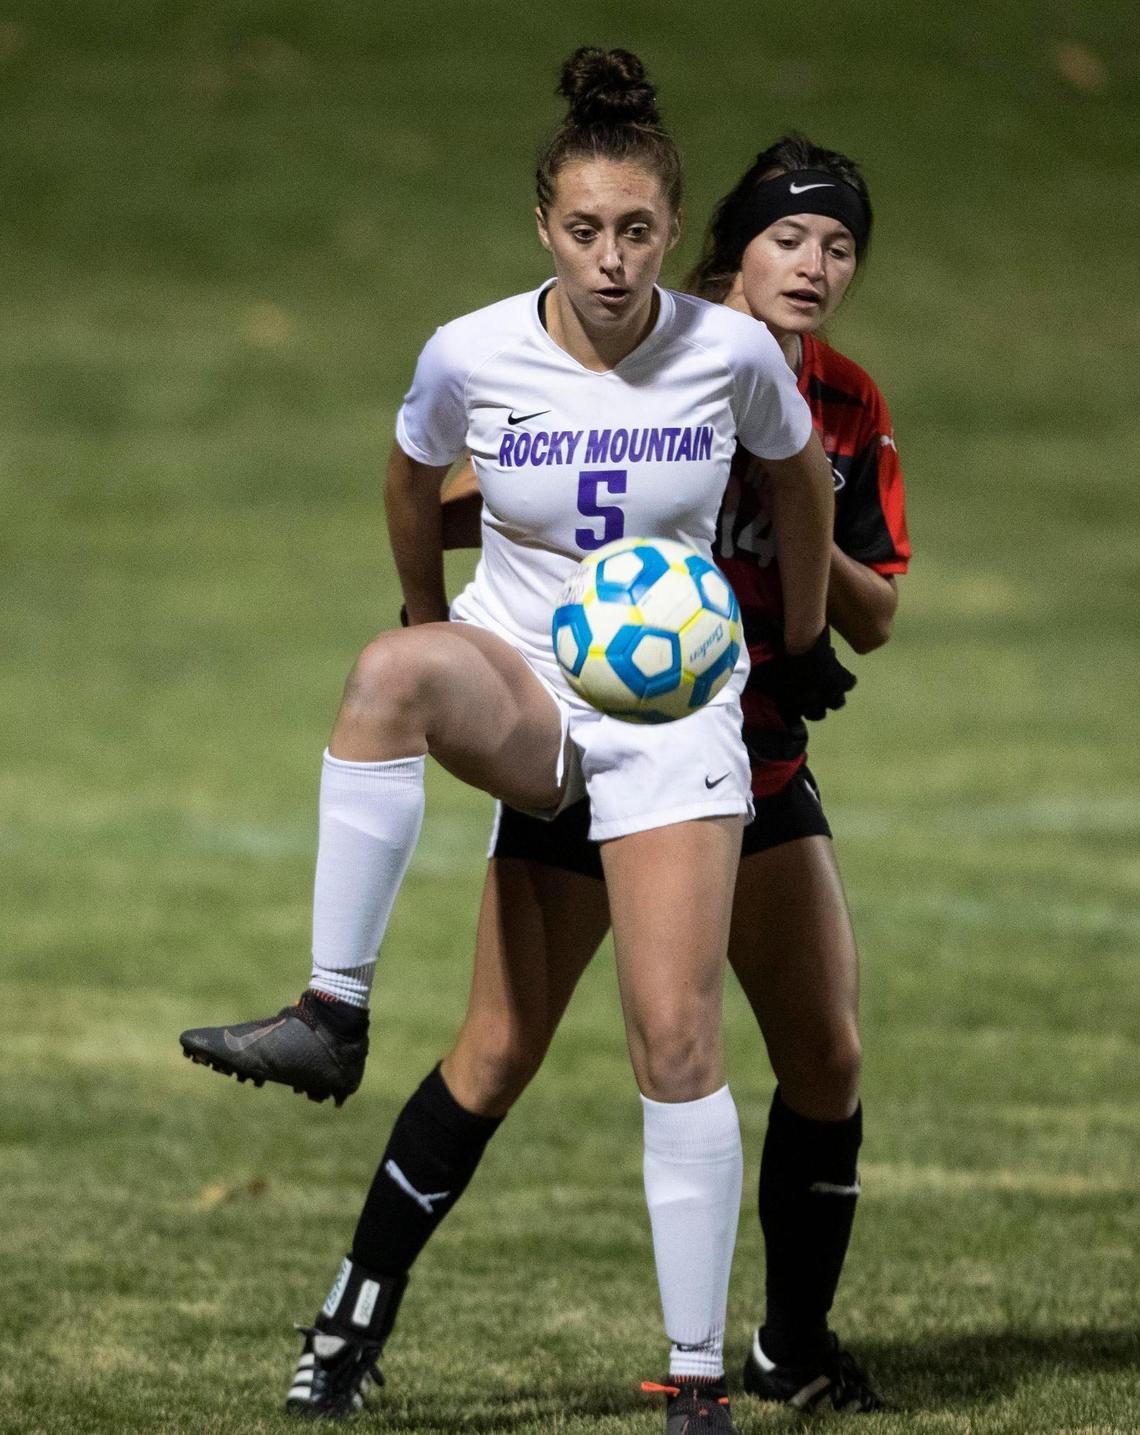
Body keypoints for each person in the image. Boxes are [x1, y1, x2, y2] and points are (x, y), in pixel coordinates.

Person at [180, 50, 853, 1434]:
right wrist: (435, 623)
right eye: (585, 229)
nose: (612, 260)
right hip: (530, 694)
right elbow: (409, 473)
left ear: (674, 231)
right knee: (388, 673)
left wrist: (794, 638)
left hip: (669, 723)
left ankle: (699, 1382)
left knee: (675, 1041)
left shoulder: (726, 353)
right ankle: (330, 1013)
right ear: (542, 224)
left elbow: (798, 472)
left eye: (638, 232)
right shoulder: (471, 350)